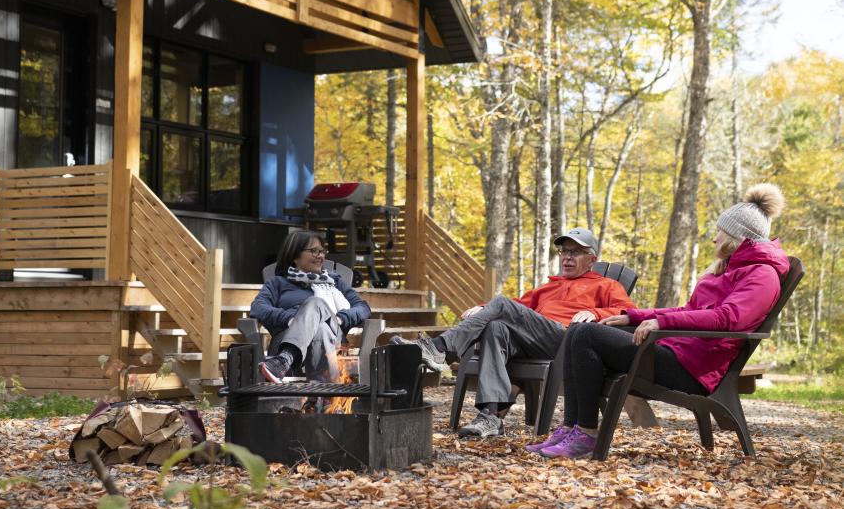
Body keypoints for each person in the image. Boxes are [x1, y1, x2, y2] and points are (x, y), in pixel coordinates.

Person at [535, 183, 789, 459]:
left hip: (692, 368)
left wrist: (660, 323)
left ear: (736, 237)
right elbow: (687, 309)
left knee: (586, 335)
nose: (715, 239)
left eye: (720, 232)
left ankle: (586, 433)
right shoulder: (727, 270)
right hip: (675, 352)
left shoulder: (762, 274)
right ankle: (573, 427)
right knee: (579, 330)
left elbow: (729, 318)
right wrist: (632, 316)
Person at [395, 227, 635, 439]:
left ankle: (440, 348)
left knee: (500, 304)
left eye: (575, 252)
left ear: (591, 259)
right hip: (538, 341)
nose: (567, 257)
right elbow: (517, 306)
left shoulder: (606, 285)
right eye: (564, 251)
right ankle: (491, 416)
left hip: (570, 340)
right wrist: (484, 310)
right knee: (495, 327)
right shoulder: (548, 287)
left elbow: (628, 312)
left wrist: (595, 313)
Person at [251, 230, 371, 383]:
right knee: (320, 328)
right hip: (289, 336)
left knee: (316, 303)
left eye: (322, 251)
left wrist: (340, 318)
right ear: (294, 256)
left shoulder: (335, 281)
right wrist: (288, 319)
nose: (320, 256)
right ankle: (325, 403)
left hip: (334, 340)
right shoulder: (278, 283)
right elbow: (258, 308)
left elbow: (363, 308)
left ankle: (284, 359)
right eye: (314, 251)